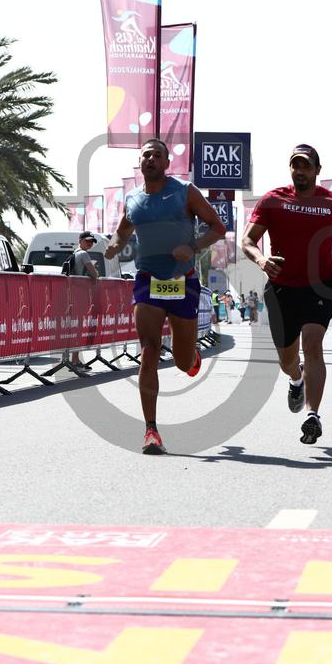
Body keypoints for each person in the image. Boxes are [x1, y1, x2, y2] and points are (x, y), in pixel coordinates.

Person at [104, 138, 225, 454]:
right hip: (148, 281)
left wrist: (193, 246)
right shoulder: (133, 198)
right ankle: (151, 430)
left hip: (182, 281)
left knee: (183, 362)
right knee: (149, 349)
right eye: (146, 155)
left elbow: (218, 227)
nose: (151, 159)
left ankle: (191, 356)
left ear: (167, 163)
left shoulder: (185, 192)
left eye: (157, 155)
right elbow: (123, 230)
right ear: (140, 162)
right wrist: (114, 244)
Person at [242, 143, 332, 445]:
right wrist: (261, 260)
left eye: (306, 165)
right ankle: (297, 379)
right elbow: (248, 240)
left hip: (320, 286)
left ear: (318, 170)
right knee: (287, 360)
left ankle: (313, 415)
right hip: (282, 288)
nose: (300, 170)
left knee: (313, 345)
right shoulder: (273, 200)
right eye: (296, 165)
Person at [69, 231, 99, 369]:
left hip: (71, 294)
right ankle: (74, 361)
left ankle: (73, 359)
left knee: (74, 328)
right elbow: (94, 274)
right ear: (80, 240)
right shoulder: (83, 254)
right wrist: (95, 273)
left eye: (92, 241)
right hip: (78, 295)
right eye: (87, 240)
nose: (90, 243)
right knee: (78, 328)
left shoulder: (74, 253)